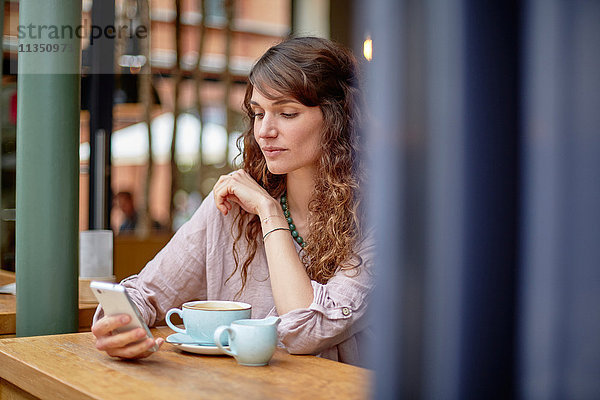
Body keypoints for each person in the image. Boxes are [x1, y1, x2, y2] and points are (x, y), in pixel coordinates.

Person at [92, 36, 374, 366]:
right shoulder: (231, 205)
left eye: (286, 113)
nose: (265, 131)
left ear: (338, 119)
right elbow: (146, 293)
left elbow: (305, 330)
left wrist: (269, 212)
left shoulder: (378, 220)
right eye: (258, 113)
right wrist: (120, 329)